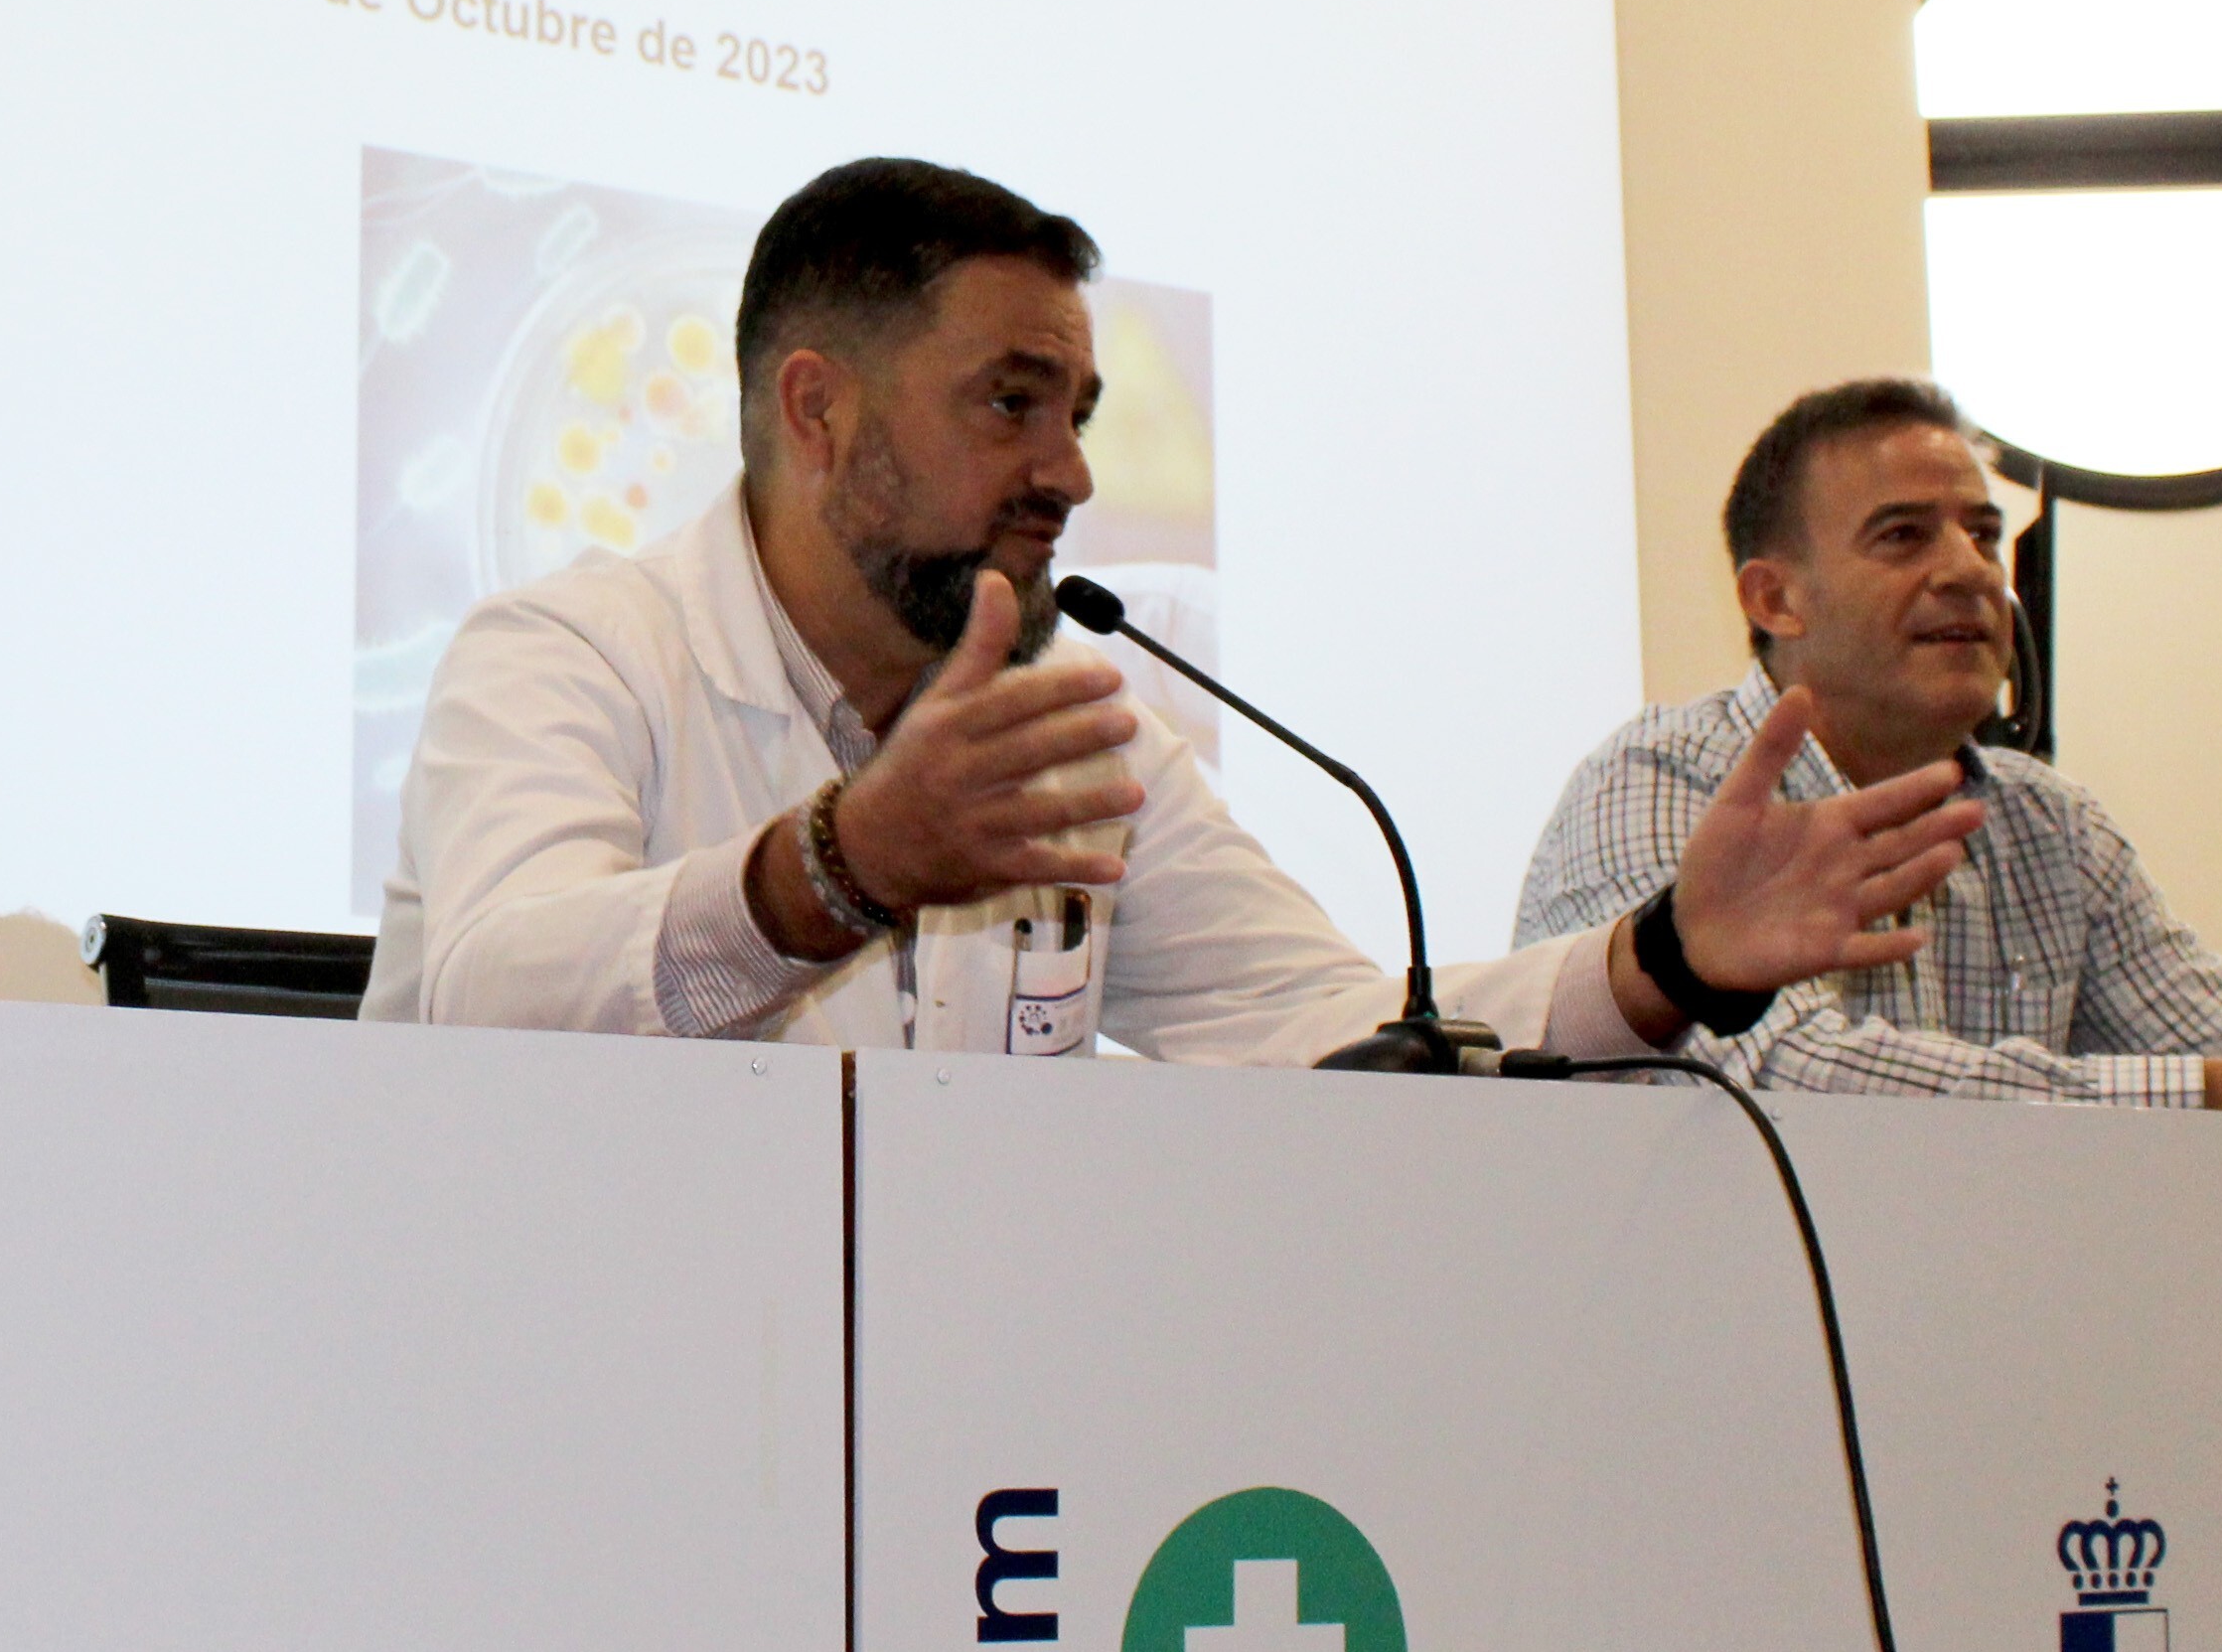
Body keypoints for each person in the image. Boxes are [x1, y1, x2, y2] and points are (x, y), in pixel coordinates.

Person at [366, 157, 1980, 1059]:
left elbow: (1319, 1019)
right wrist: (841, 867)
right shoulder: (570, 654)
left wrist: (1665, 963)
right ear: (816, 410)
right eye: (1009, 403)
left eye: (1076, 413)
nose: (1068, 473)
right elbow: (493, 997)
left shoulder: (1082, 735)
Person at [1516, 377, 2222, 1116]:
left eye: (1981, 534)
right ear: (1774, 597)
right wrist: (2218, 1090)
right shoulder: (1659, 779)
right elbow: (1773, 1082)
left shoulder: (2045, 823)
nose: (1969, 572)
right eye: (1902, 537)